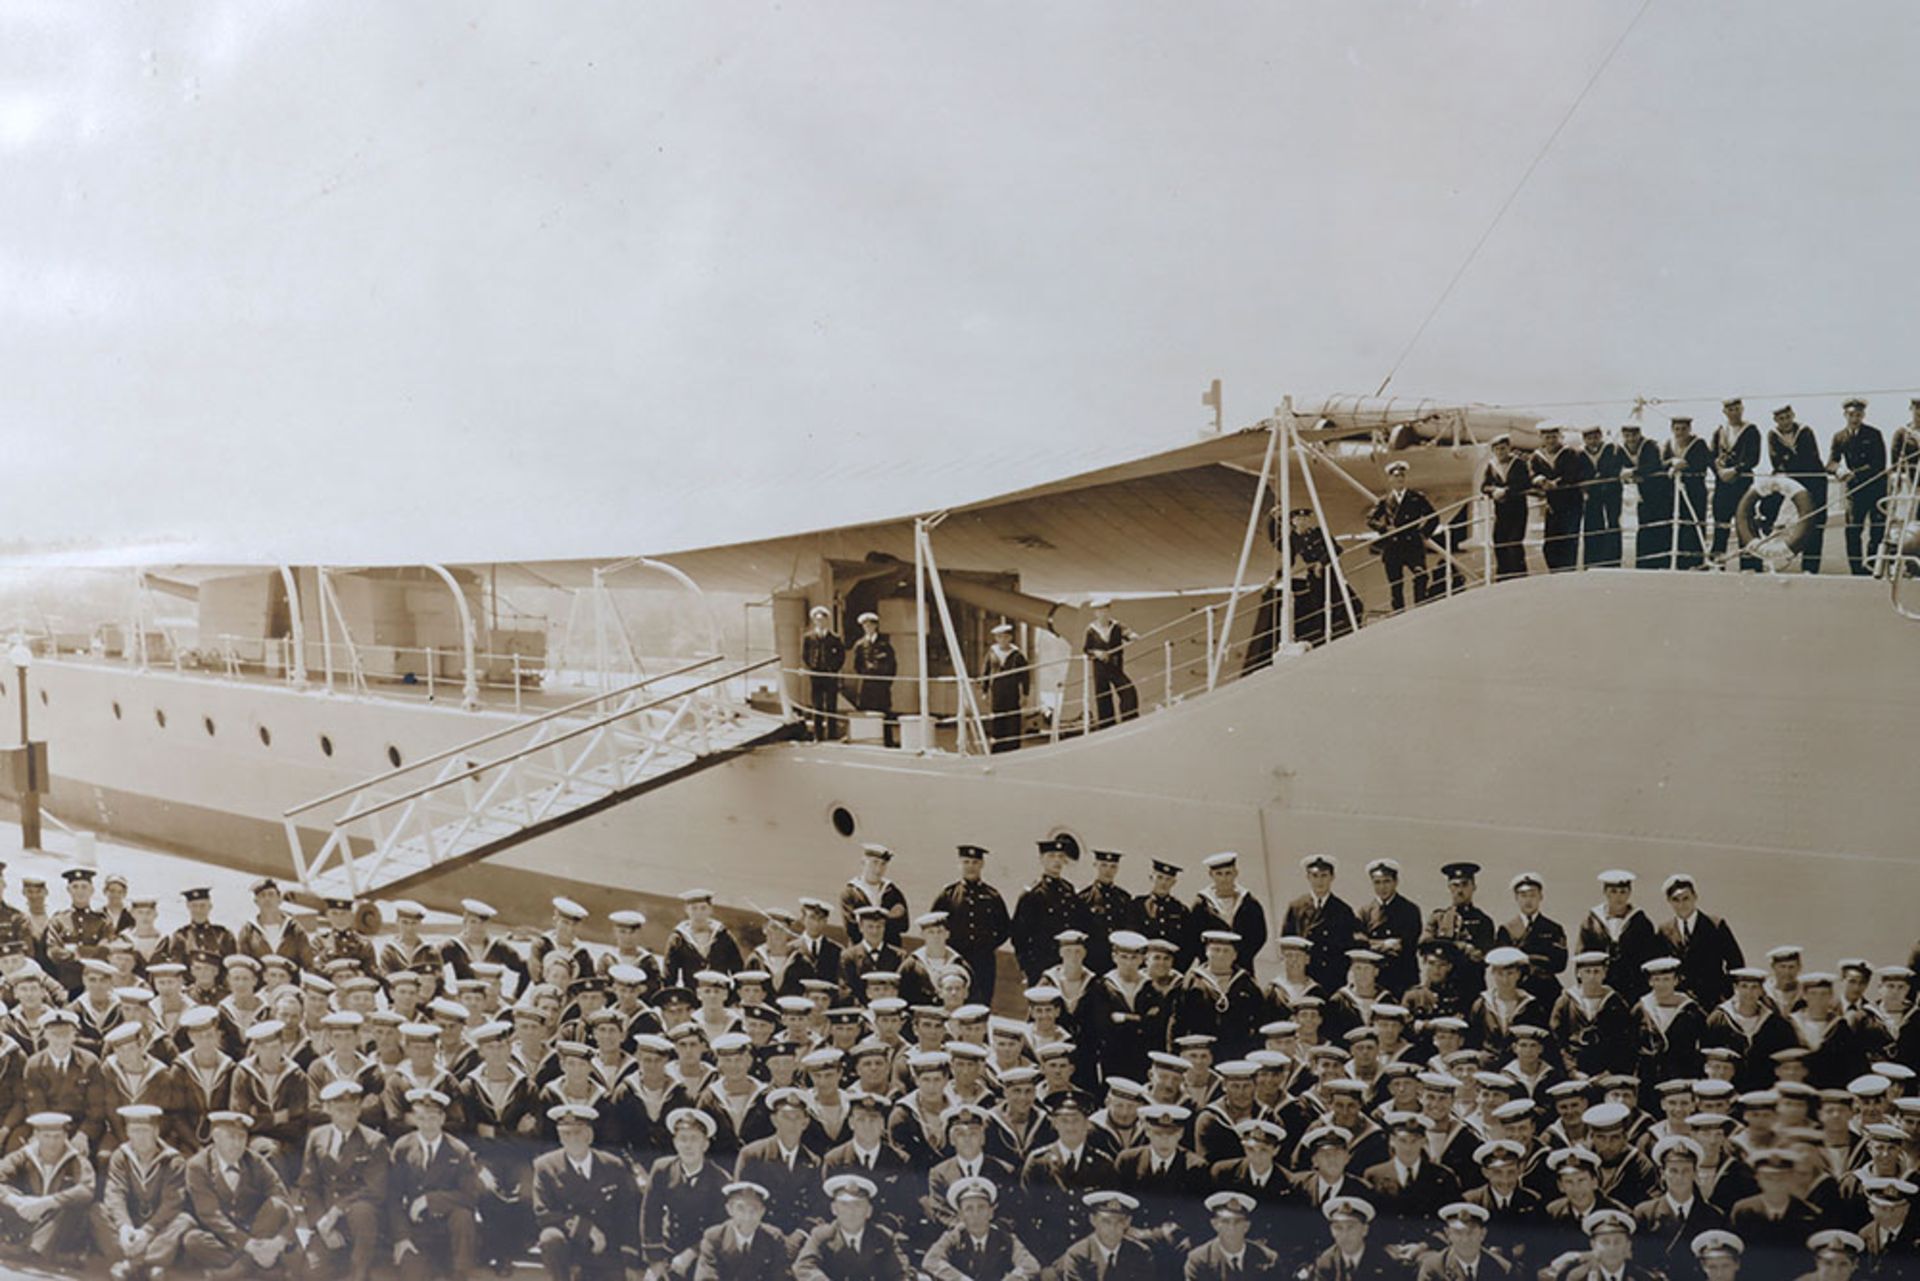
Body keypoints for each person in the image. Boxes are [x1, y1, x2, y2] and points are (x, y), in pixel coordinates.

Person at [180, 1111, 300, 1278]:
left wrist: (279, 1241)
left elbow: (284, 1201)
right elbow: (210, 1214)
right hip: (222, 1236)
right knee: (192, 1240)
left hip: (258, 1230)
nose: (237, 1144)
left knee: (277, 1206)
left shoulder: (255, 1161)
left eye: (242, 1137)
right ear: (216, 1137)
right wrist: (248, 1244)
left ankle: (234, 1271)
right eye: (231, 1137)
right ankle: (257, 1263)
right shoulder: (197, 1166)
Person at [531, 1103, 643, 1279]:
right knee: (549, 1238)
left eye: (578, 1132)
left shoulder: (613, 1165)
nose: (572, 1138)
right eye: (566, 1133)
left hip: (606, 1245)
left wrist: (630, 1259)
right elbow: (543, 1213)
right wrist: (586, 1228)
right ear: (560, 1137)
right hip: (570, 1244)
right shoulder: (545, 1166)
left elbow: (627, 1212)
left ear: (589, 1135)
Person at [387, 1087, 483, 1281]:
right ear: (414, 1119)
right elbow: (392, 1197)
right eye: (421, 1118)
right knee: (414, 1274)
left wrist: (429, 1200)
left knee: (463, 1216)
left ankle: (460, 1272)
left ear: (442, 1118)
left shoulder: (458, 1150)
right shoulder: (403, 1147)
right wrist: (402, 1237)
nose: (427, 1125)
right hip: (417, 1229)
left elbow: (470, 1196)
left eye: (432, 1118)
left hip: (449, 1230)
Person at [0, 1110, 95, 1265]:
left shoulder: (76, 1159)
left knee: (69, 1202)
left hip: (58, 1225)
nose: (52, 1142)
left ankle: (27, 1250)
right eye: (47, 1136)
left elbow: (87, 1190)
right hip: (28, 1216)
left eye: (57, 1136)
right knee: (5, 1194)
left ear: (66, 1136)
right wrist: (15, 1201)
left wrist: (47, 1202)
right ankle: (43, 1252)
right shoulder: (24, 1155)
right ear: (36, 1136)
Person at [930, 846, 1012, 1007]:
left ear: (982, 865)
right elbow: (933, 925)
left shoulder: (992, 896)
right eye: (966, 862)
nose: (970, 866)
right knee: (953, 1002)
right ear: (959, 865)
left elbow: (1005, 928)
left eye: (975, 862)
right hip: (955, 960)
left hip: (983, 962)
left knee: (981, 1004)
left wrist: (987, 946)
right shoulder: (948, 895)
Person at [792, 1172, 911, 1280]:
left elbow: (900, 1272)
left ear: (869, 1211)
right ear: (834, 1209)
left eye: (858, 1205)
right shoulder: (822, 1236)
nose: (851, 1211)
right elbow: (804, 1267)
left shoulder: (883, 1237)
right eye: (844, 1205)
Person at [921, 1174, 1040, 1281]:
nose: (975, 1214)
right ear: (961, 1215)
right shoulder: (954, 1237)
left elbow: (1030, 1265)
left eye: (981, 1207)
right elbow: (931, 1261)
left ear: (991, 1212)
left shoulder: (1005, 1238)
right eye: (969, 1209)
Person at [1829, 398, 1890, 576]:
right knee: (1853, 530)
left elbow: (1879, 463)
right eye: (1851, 415)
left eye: (1858, 415)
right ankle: (1856, 570)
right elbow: (1831, 462)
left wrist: (1854, 473)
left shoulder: (1874, 434)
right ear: (1845, 415)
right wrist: (1838, 470)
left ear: (1863, 415)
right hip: (1855, 492)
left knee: (1877, 530)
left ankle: (1873, 567)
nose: (1854, 418)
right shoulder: (1839, 437)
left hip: (1875, 488)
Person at [1283, 856, 1360, 993]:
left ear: (1332, 877)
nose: (1319, 881)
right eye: (1315, 876)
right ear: (1308, 877)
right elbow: (1286, 943)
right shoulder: (1296, 907)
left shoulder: (1343, 910)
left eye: (1324, 875)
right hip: (1304, 977)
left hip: (1333, 978)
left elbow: (1350, 946)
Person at [1370, 460, 1439, 610]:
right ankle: (1399, 613)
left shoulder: (1416, 497)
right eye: (1395, 476)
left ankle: (1420, 607)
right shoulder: (1385, 501)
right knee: (1396, 584)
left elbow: (1434, 517)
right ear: (1390, 480)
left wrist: (1423, 534)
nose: (1399, 479)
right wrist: (1384, 529)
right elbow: (1370, 519)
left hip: (1412, 544)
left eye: (1401, 475)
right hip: (1393, 546)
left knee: (1421, 576)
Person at [693, 1179, 793, 1280]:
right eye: (741, 1209)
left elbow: (782, 1276)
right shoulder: (714, 1238)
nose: (747, 1217)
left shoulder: (773, 1239)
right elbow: (706, 1277)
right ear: (729, 1209)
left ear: (762, 1212)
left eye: (753, 1210)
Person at [1770, 405, 1829, 574]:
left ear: (1793, 416)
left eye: (1788, 417)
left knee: (1815, 523)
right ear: (1776, 420)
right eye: (1781, 419)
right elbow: (1776, 460)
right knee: (1779, 514)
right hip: (1793, 482)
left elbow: (1808, 458)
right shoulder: (1773, 435)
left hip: (1814, 483)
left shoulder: (1805, 431)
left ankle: (1810, 567)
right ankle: (1778, 555)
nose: (1785, 422)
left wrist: (1788, 466)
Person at [1498, 872, 1570, 1009]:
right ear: (1516, 898)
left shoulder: (1553, 928)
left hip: (1547, 991)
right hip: (1518, 992)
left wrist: (1525, 958)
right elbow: (1503, 966)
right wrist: (1541, 959)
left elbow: (1560, 963)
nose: (1528, 900)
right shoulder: (1507, 929)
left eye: (1532, 895)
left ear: (1540, 897)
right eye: (1523, 895)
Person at [1424, 863, 1498, 995]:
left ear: (1473, 887)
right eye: (1455, 885)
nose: (1459, 890)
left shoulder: (1483, 922)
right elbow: (1424, 944)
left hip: (1469, 986)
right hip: (1439, 987)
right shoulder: (1438, 918)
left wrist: (1445, 945)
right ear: (1449, 887)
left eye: (1464, 885)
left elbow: (1482, 956)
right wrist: (1463, 947)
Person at [1356, 860, 1423, 997]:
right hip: (1373, 980)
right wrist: (1385, 944)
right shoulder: (1365, 911)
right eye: (1377, 882)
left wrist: (1372, 944)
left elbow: (1405, 944)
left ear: (1396, 882)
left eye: (1386, 881)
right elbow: (1358, 942)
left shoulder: (1409, 910)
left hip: (1402, 978)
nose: (1382, 887)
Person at [1059, 1189, 1157, 1280]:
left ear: (1128, 1222)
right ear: (1093, 1220)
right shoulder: (1077, 1255)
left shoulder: (1141, 1253)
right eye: (1106, 1222)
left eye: (1119, 1221)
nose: (1112, 1228)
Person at [1533, 425, 1592, 572]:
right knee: (1550, 543)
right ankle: (1554, 571)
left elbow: (1573, 474)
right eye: (1547, 437)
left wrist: (1556, 483)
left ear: (1560, 437)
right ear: (1542, 439)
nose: (1551, 440)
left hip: (1571, 503)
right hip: (1552, 505)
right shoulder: (1537, 456)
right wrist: (1538, 479)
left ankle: (1568, 573)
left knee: (1569, 541)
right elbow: (1531, 473)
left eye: (1554, 437)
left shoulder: (1570, 453)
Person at [1713, 399, 1763, 572]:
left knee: (1745, 525)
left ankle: (1750, 566)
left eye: (1736, 409)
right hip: (1723, 486)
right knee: (1721, 526)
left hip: (1742, 485)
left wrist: (1736, 470)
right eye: (1730, 409)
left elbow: (1753, 458)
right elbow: (1713, 455)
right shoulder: (1719, 431)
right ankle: (1717, 565)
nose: (1734, 412)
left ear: (1742, 409)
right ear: (1724, 412)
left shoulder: (1751, 431)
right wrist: (1720, 472)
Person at [1083, 598, 1140, 729]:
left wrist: (1132, 636)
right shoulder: (1091, 630)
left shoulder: (1116, 626)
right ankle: (1107, 725)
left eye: (1105, 610)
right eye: (1099, 611)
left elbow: (1127, 633)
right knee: (1103, 695)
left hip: (1115, 665)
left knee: (1128, 689)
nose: (1103, 613)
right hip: (1100, 667)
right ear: (1095, 613)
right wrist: (1097, 653)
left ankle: (1129, 717)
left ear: (1108, 611)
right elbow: (1086, 649)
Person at [1482, 436, 1532, 581]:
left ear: (1509, 448)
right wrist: (1493, 490)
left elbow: (1524, 483)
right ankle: (1503, 577)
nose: (1500, 452)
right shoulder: (1491, 466)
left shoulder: (1518, 464)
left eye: (1503, 448)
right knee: (1499, 541)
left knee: (1514, 542)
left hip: (1517, 509)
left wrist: (1506, 491)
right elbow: (1484, 486)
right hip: (1501, 511)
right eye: (1497, 449)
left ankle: (1520, 576)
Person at [1666, 418, 1714, 570]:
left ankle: (1696, 561)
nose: (1680, 432)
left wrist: (1684, 466)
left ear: (1689, 429)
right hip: (1675, 491)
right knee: (1678, 524)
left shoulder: (1699, 443)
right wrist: (1671, 463)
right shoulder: (1669, 445)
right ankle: (1679, 561)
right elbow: (1661, 462)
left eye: (1683, 429)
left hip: (1695, 489)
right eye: (1677, 429)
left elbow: (1703, 462)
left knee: (1695, 523)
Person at [848, 611, 899, 747]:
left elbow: (892, 665)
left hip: (882, 684)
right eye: (865, 625)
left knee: (884, 711)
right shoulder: (860, 645)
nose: (868, 627)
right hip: (867, 684)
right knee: (866, 709)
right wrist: (865, 674)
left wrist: (887, 681)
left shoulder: (884, 645)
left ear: (876, 626)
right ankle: (868, 739)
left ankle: (887, 740)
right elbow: (856, 664)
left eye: (871, 625)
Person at [1581, 426, 1626, 569]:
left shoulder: (1612, 449)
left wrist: (1602, 476)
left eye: (1595, 437)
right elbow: (1580, 472)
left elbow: (1614, 468)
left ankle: (1613, 561)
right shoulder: (1581, 454)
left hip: (1611, 493)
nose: (1593, 441)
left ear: (1600, 436)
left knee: (1612, 523)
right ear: (1585, 440)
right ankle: (1592, 561)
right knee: (1592, 524)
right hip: (1593, 495)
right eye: (1589, 438)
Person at [801, 606, 847, 742]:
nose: (820, 622)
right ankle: (818, 735)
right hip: (816, 675)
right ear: (814, 621)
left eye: (823, 619)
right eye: (818, 620)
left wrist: (834, 669)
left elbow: (841, 656)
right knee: (817, 705)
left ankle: (832, 735)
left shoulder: (835, 638)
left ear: (827, 620)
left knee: (831, 705)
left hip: (830, 675)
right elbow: (805, 655)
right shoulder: (808, 637)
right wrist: (811, 667)